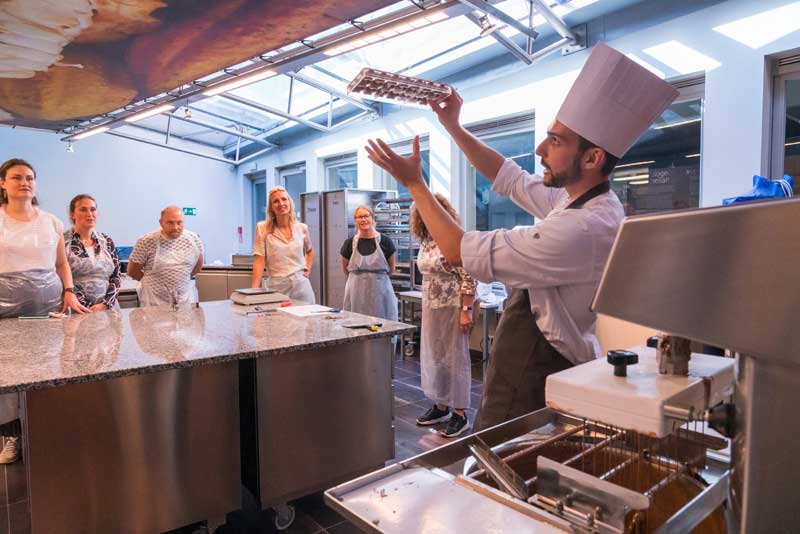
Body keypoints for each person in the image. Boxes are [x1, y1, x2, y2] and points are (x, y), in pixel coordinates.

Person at [365, 43, 679, 432]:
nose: (540, 149)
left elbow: (458, 250)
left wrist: (414, 183)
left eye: (557, 141)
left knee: (502, 464)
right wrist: (453, 127)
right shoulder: (577, 199)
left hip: (538, 365)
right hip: (532, 355)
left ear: (592, 158)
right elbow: (508, 176)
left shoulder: (583, 228)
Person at [0, 158, 89, 464]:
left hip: (47, 308)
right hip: (6, 310)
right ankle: (10, 436)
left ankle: (47, 431)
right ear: (3, 184)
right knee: (8, 373)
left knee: (49, 366)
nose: (24, 182)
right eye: (16, 178)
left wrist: (68, 291)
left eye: (29, 178)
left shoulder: (51, 222)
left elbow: (62, 264)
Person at [411, 194, 477, 438]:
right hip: (431, 306)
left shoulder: (453, 239)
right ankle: (441, 406)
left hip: (452, 305)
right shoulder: (426, 240)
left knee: (455, 357)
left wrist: (466, 310)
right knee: (435, 355)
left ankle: (460, 413)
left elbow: (469, 277)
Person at [128, 206, 204, 307]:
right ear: (161, 222)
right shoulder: (146, 241)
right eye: (170, 222)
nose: (175, 227)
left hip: (184, 300)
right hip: (153, 302)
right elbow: (132, 271)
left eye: (179, 222)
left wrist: (179, 278)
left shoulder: (193, 239)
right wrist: (153, 284)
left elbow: (197, 267)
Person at [251, 186, 315, 302]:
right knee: (278, 319)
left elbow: (310, 251)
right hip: (277, 287)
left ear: (289, 202)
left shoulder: (302, 228)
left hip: (301, 285)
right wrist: (254, 291)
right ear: (271, 208)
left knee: (306, 319)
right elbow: (259, 260)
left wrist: (307, 269)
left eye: (284, 199)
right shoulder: (262, 228)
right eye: (276, 201)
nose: (281, 204)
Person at [64, 194, 122, 311]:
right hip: (77, 309)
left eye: (93, 209)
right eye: (83, 209)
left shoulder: (107, 241)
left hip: (109, 309)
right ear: (72, 214)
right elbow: (59, 278)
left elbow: (116, 276)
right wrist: (88, 307)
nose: (89, 214)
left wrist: (106, 304)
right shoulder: (62, 241)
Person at [340, 205, 397, 320]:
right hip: (356, 292)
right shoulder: (349, 243)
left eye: (366, 216)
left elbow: (391, 269)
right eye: (359, 217)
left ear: (372, 218)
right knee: (356, 323)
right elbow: (345, 269)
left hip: (381, 291)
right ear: (355, 221)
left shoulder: (386, 241)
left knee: (383, 323)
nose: (363, 219)